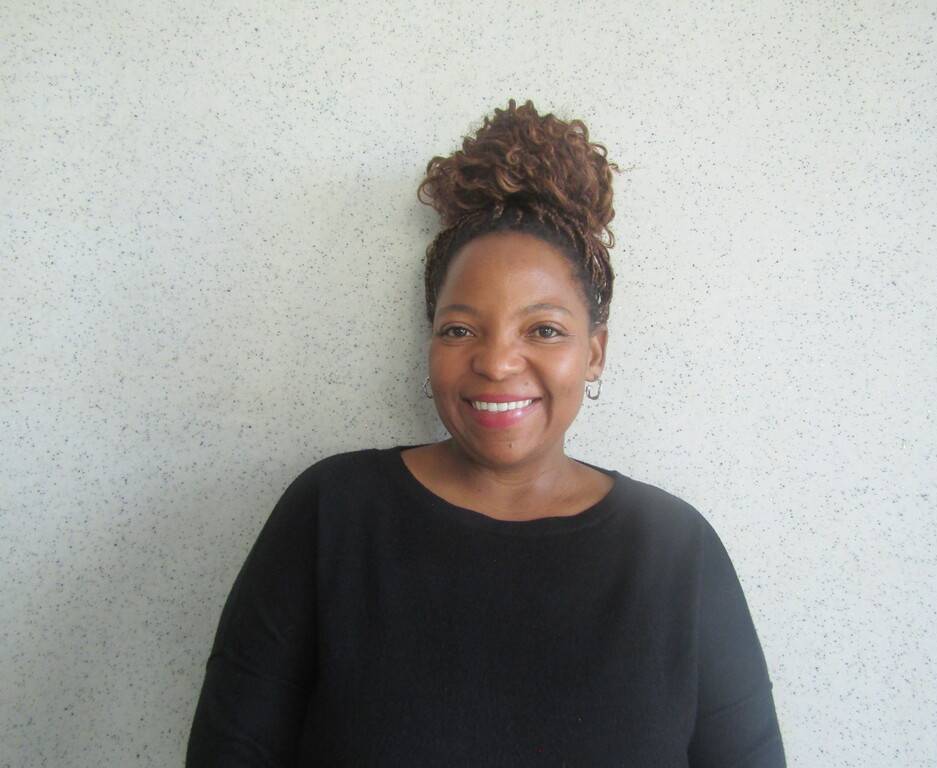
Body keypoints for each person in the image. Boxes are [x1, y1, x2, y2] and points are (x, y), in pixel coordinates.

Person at [186, 100, 786, 767]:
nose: (497, 362)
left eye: (544, 329)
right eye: (461, 329)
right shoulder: (332, 513)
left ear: (594, 353)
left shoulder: (678, 552)